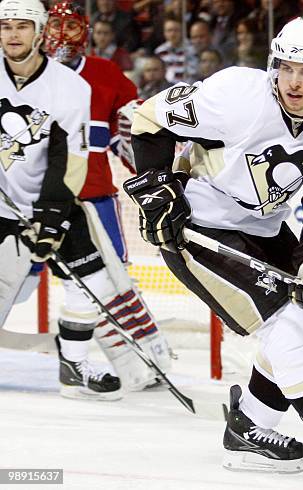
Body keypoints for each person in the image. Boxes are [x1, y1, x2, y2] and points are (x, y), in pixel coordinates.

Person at [124, 18, 303, 479]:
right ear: (273, 65)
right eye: (287, 67)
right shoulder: (236, 95)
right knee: (284, 323)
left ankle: (250, 427)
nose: (295, 81)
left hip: (266, 226)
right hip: (200, 226)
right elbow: (149, 118)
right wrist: (157, 187)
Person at [43, 1, 173, 391]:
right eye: (55, 26)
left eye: (71, 27)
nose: (62, 37)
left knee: (111, 280)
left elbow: (127, 138)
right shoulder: (24, 78)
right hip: (37, 204)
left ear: (85, 31)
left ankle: (140, 358)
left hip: (95, 199)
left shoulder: (105, 74)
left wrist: (157, 173)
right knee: (17, 284)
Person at [0, 0, 122, 399]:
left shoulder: (71, 87)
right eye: (5, 27)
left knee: (93, 279)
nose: (12, 35)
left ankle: (74, 363)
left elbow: (69, 156)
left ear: (39, 32)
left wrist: (51, 217)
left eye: (21, 26)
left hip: (48, 197)